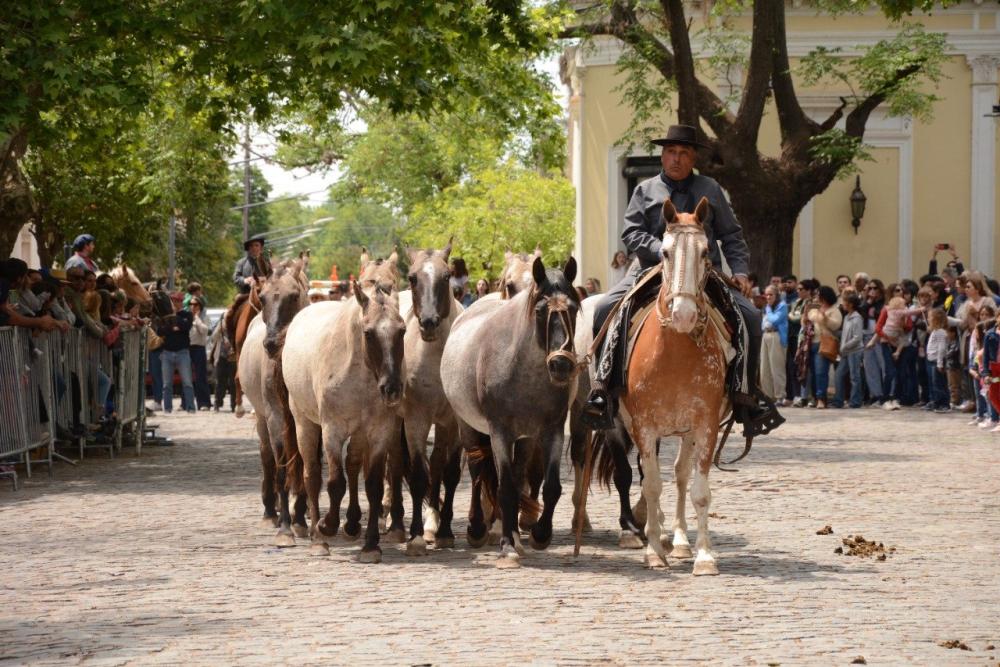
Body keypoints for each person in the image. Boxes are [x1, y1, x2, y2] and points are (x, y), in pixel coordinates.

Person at [582, 124, 782, 436]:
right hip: (652, 269)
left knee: (751, 316)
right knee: (605, 308)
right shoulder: (644, 191)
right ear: (663, 156)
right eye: (671, 152)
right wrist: (665, 250)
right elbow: (631, 232)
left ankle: (747, 393)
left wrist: (740, 271)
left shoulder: (711, 190)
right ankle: (604, 389)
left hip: (704, 273)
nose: (676, 158)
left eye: (684, 153)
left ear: (693, 159)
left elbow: (732, 235)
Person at [805, 285, 842, 409]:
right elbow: (806, 321)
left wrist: (824, 317)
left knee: (821, 372)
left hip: (824, 343)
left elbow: (835, 325)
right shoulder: (814, 309)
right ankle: (815, 398)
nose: (816, 297)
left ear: (824, 296)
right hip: (811, 343)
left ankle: (821, 398)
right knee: (813, 372)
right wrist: (807, 312)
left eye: (818, 294)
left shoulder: (834, 310)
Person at [156, 299, 195, 414]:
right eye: (174, 302)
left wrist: (175, 323)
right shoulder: (165, 316)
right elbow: (160, 331)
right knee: (167, 384)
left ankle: (190, 407)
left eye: (179, 302)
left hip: (183, 353)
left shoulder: (187, 314)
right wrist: (173, 328)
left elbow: (187, 326)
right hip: (167, 353)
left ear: (182, 303)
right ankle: (167, 408)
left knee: (187, 382)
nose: (176, 304)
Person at [832, 293, 864, 409]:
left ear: (850, 304)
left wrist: (844, 347)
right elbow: (844, 334)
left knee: (854, 376)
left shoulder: (857, 318)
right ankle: (838, 400)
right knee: (838, 375)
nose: (842, 304)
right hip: (846, 351)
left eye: (844, 302)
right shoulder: (846, 317)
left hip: (854, 351)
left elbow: (857, 337)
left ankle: (855, 401)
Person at [760, 285, 788, 403]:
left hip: (776, 336)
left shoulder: (782, 306)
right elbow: (763, 324)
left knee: (776, 368)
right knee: (764, 369)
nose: (768, 297)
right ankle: (768, 396)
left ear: (776, 296)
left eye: (771, 294)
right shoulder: (767, 307)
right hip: (766, 335)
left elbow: (775, 320)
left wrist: (768, 311)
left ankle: (780, 396)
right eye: (766, 294)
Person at [923, 308, 951, 413]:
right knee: (932, 383)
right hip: (930, 360)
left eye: (930, 317)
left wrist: (939, 363)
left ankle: (943, 403)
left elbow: (941, 348)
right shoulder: (935, 331)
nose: (928, 319)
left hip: (936, 362)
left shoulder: (940, 332)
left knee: (939, 383)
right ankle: (934, 400)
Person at [188, 297, 212, 410]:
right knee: (187, 377)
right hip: (187, 348)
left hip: (199, 348)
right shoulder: (187, 316)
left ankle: (204, 403)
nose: (193, 306)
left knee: (200, 376)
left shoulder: (204, 317)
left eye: (196, 304)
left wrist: (197, 318)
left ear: (200, 306)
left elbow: (204, 330)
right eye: (191, 304)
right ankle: (186, 403)